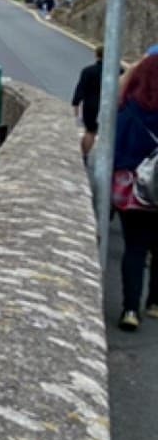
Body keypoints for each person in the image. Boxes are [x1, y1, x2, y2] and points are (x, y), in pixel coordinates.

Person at [110, 54, 158, 330]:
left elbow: (115, 153)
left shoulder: (128, 112)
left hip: (133, 193)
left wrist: (132, 70)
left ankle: (130, 309)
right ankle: (154, 303)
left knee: (135, 249)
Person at [73, 47, 106, 158]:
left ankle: (84, 156)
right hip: (110, 107)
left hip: (91, 106)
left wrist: (76, 108)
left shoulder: (88, 71)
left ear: (96, 55)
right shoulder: (119, 71)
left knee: (90, 131)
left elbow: (80, 90)